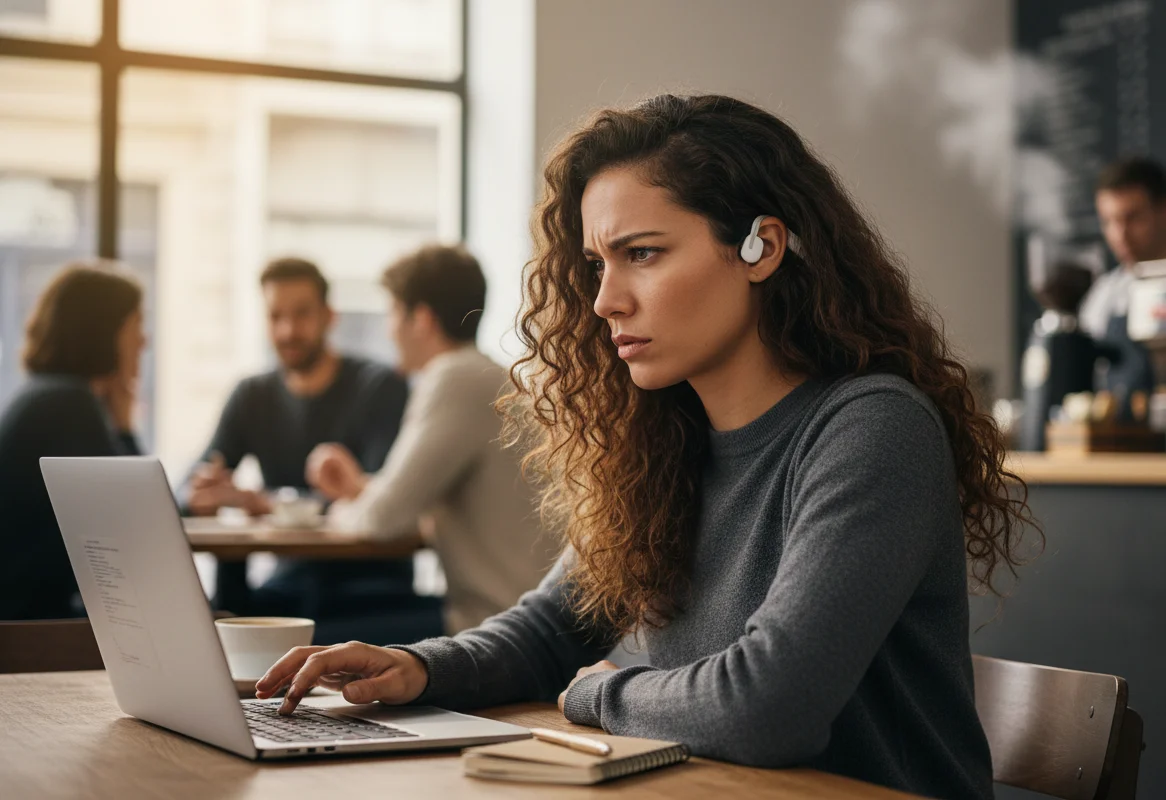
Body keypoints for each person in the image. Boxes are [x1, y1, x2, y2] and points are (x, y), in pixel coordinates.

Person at [257, 95, 1040, 799]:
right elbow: (552, 629)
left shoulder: (871, 428)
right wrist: (419, 667)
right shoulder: (666, 442)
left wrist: (603, 690)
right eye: (598, 264)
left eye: (644, 253)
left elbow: (769, 709)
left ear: (761, 248)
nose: (604, 300)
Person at [305, 245, 554, 636]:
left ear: (420, 319)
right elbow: (411, 497)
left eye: (391, 313)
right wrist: (360, 487)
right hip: (522, 615)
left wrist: (335, 510)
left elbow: (379, 521)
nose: (388, 330)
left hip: (497, 625)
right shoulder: (486, 377)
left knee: (302, 628)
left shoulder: (455, 379)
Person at [182, 257, 414, 640]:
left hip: (369, 586)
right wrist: (201, 491)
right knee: (217, 621)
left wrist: (262, 503)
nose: (288, 331)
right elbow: (185, 488)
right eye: (276, 317)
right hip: (289, 585)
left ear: (329, 316)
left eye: (302, 314)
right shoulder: (251, 395)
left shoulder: (380, 386)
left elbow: (381, 498)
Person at [0, 263, 146, 620]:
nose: (145, 340)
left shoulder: (51, 395)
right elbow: (139, 520)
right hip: (31, 621)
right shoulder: (69, 403)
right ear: (105, 331)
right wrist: (125, 429)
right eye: (137, 324)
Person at [1078, 157, 1166, 397]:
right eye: (1110, 221)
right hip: (1120, 432)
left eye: (1133, 218)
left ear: (1162, 211)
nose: (1120, 234)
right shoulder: (1105, 293)